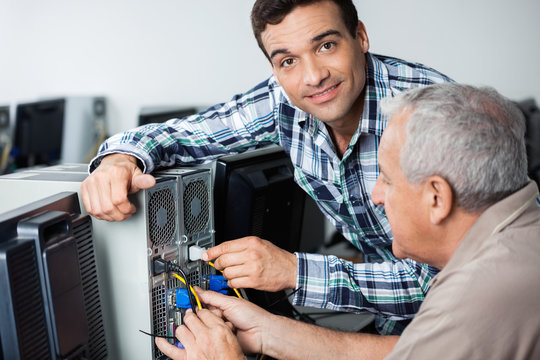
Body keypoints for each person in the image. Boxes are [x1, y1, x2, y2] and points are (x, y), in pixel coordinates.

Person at [81, 0, 452, 334]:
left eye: (326, 45)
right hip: (393, 322)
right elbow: (179, 135)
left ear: (360, 37)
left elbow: (441, 285)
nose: (312, 76)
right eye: (288, 60)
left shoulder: (429, 113)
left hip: (461, 326)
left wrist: (293, 271)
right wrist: (119, 159)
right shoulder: (285, 100)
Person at [156, 83, 540, 360]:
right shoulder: (518, 238)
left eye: (386, 178)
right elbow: (413, 352)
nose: (375, 194)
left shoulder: (477, 295)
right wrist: (268, 333)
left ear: (437, 198)